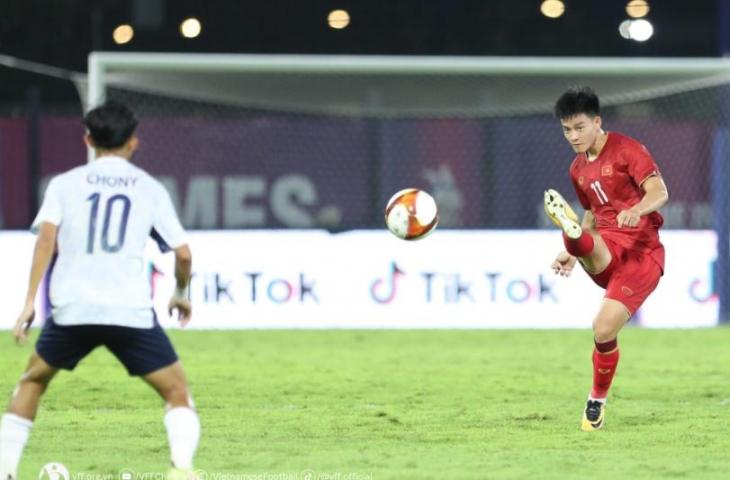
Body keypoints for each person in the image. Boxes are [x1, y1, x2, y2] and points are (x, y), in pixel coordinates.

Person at [0, 102, 200, 478]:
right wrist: (180, 292)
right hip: (129, 310)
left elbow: (45, 242)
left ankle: (6, 472)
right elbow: (184, 255)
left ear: (88, 139)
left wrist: (29, 303)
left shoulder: (64, 184)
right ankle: (182, 469)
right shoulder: (150, 189)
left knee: (32, 382)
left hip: (73, 309)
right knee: (176, 393)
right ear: (134, 142)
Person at [544, 86, 669, 431]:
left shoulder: (629, 150)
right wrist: (570, 255)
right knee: (586, 236)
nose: (573, 136)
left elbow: (660, 192)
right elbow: (591, 214)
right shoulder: (576, 170)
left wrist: (637, 209)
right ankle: (573, 243)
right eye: (567, 130)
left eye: (580, 127)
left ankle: (596, 402)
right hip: (607, 244)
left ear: (597, 122)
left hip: (642, 254)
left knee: (602, 330)